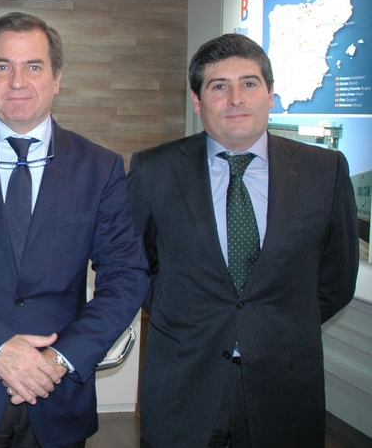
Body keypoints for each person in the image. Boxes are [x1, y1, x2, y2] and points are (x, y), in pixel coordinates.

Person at [0, 12, 149, 448]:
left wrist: (60, 358)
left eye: (33, 66)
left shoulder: (100, 168)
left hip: (58, 393)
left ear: (57, 79)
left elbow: (127, 277)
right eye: (3, 66)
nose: (17, 81)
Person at [127, 33, 359, 448]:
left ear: (270, 94)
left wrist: (273, 326)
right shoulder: (153, 170)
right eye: (219, 86)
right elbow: (134, 265)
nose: (236, 98)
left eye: (249, 84)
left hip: (285, 387)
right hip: (183, 383)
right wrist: (183, 316)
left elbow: (337, 278)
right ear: (198, 101)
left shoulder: (326, 170)